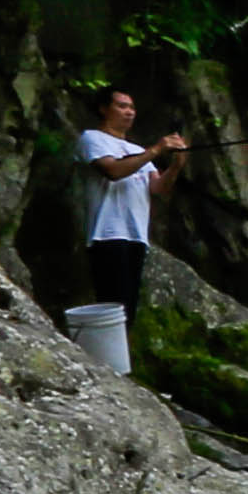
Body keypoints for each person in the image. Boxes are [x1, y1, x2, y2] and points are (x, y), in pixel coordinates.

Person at [68, 87, 185, 324]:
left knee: (128, 308)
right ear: (103, 109)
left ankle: (121, 357)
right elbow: (113, 171)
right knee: (112, 304)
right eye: (122, 106)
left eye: (132, 107)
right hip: (107, 233)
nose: (129, 112)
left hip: (136, 236)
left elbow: (158, 189)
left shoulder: (138, 151)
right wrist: (156, 150)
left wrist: (176, 166)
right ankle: (106, 358)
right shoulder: (92, 138)